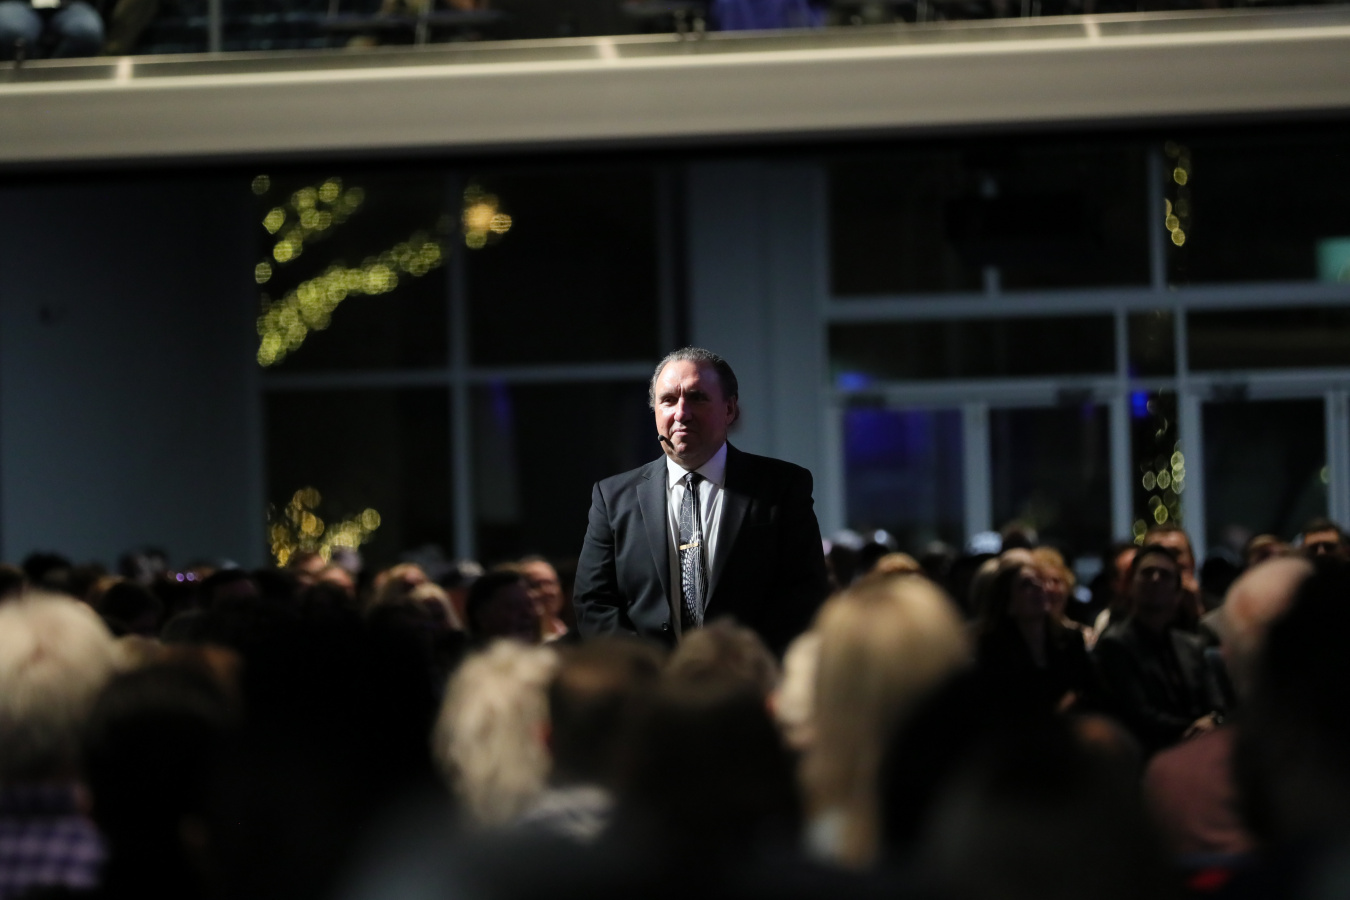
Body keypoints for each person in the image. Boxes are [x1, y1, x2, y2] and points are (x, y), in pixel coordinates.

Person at [573, 347, 829, 656]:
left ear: (729, 409)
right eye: (668, 400)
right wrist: (642, 669)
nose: (681, 413)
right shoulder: (613, 497)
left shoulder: (781, 486)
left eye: (697, 397)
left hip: (749, 675)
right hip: (646, 679)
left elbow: (804, 593)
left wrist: (747, 666)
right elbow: (594, 601)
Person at [1093, 544, 1225, 757]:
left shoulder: (1192, 645)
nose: (1155, 579)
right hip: (1145, 754)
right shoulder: (1114, 644)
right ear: (1130, 586)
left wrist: (1213, 720)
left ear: (1177, 593)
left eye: (1165, 575)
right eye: (1147, 573)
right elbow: (1138, 715)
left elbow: (1217, 704)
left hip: (1199, 751)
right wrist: (1196, 728)